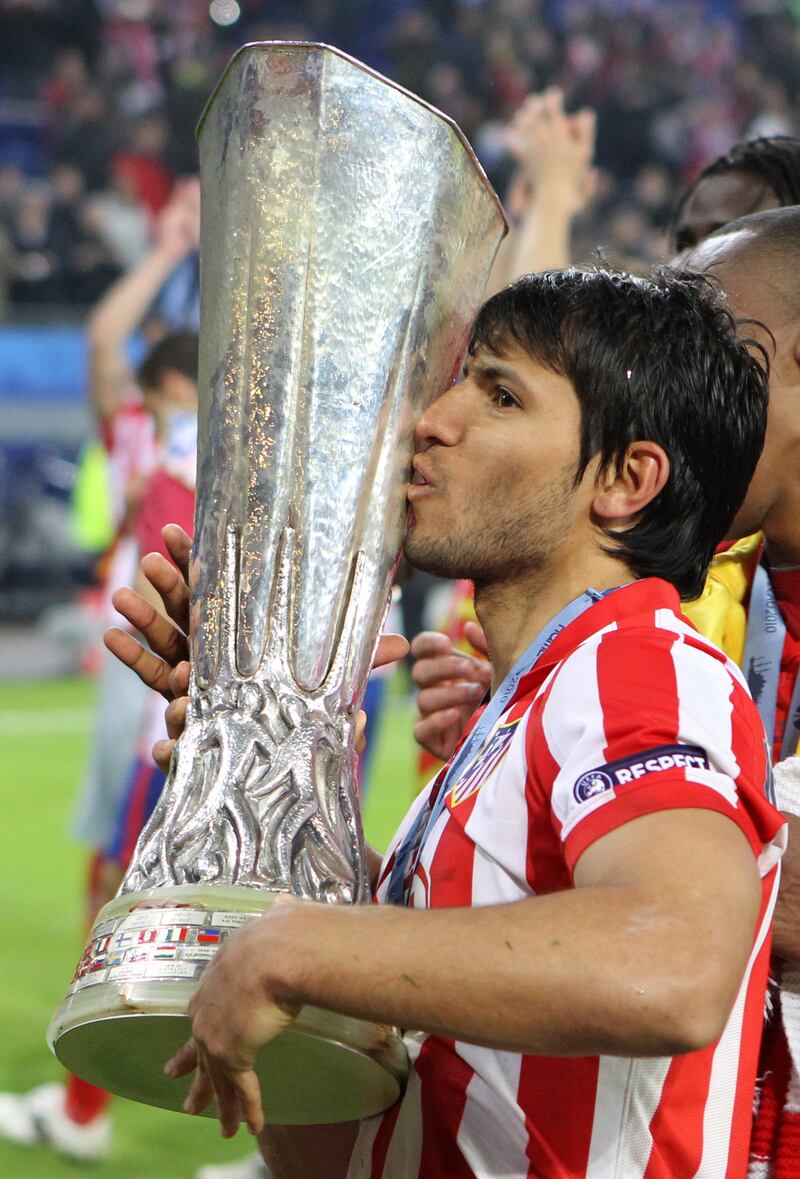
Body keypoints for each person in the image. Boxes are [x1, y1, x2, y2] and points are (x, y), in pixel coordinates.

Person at [109, 267, 782, 1178]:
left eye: (500, 393)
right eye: (462, 379)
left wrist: (305, 948)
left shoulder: (637, 663)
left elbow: (674, 956)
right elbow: (346, 1140)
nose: (435, 418)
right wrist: (251, 743)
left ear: (628, 479)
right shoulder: (514, 716)